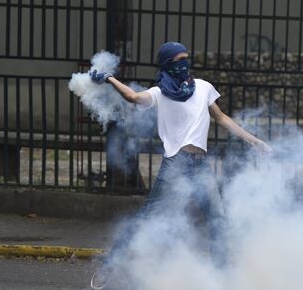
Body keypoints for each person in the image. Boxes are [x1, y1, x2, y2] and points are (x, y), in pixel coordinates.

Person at [90, 41, 271, 289]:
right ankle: (109, 266)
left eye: (186, 57)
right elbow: (132, 96)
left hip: (200, 164)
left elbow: (221, 117)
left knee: (217, 218)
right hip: (176, 163)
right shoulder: (159, 93)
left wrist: (253, 140)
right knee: (147, 218)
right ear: (167, 63)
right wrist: (110, 78)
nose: (184, 63)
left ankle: (223, 278)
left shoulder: (204, 88)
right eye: (178, 59)